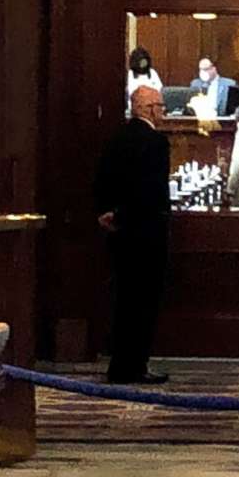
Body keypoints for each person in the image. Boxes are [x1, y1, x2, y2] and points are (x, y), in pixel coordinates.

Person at [93, 78, 173, 383]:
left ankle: (121, 365)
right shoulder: (156, 143)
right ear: (150, 110)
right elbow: (150, 190)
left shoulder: (117, 138)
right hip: (148, 232)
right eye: (161, 107)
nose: (163, 112)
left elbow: (102, 179)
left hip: (120, 233)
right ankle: (135, 366)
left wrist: (107, 212)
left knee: (124, 301)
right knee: (143, 304)